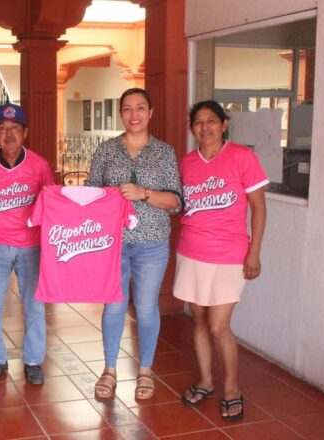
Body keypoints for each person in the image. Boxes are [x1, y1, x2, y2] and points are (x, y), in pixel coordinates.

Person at [86, 88, 181, 401]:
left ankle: (145, 371)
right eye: (127, 108)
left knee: (146, 307)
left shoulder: (164, 152)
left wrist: (144, 194)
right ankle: (109, 369)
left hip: (152, 243)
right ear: (120, 114)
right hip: (113, 243)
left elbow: (176, 202)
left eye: (140, 107)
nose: (134, 114)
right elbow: (90, 194)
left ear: (151, 112)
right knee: (113, 305)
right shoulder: (107, 149)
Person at [175, 100, 267, 422]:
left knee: (218, 325)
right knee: (199, 319)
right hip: (191, 251)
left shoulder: (243, 157)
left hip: (229, 254)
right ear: (192, 129)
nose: (205, 127)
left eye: (211, 120)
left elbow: (259, 208)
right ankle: (206, 382)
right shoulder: (187, 163)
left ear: (224, 124)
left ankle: (231, 388)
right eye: (198, 122)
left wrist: (254, 252)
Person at [0, 103, 54, 385]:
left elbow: (49, 203)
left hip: (31, 247)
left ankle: (33, 361)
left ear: (25, 132)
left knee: (34, 306)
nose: (9, 134)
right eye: (3, 128)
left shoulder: (39, 165)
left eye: (15, 128)